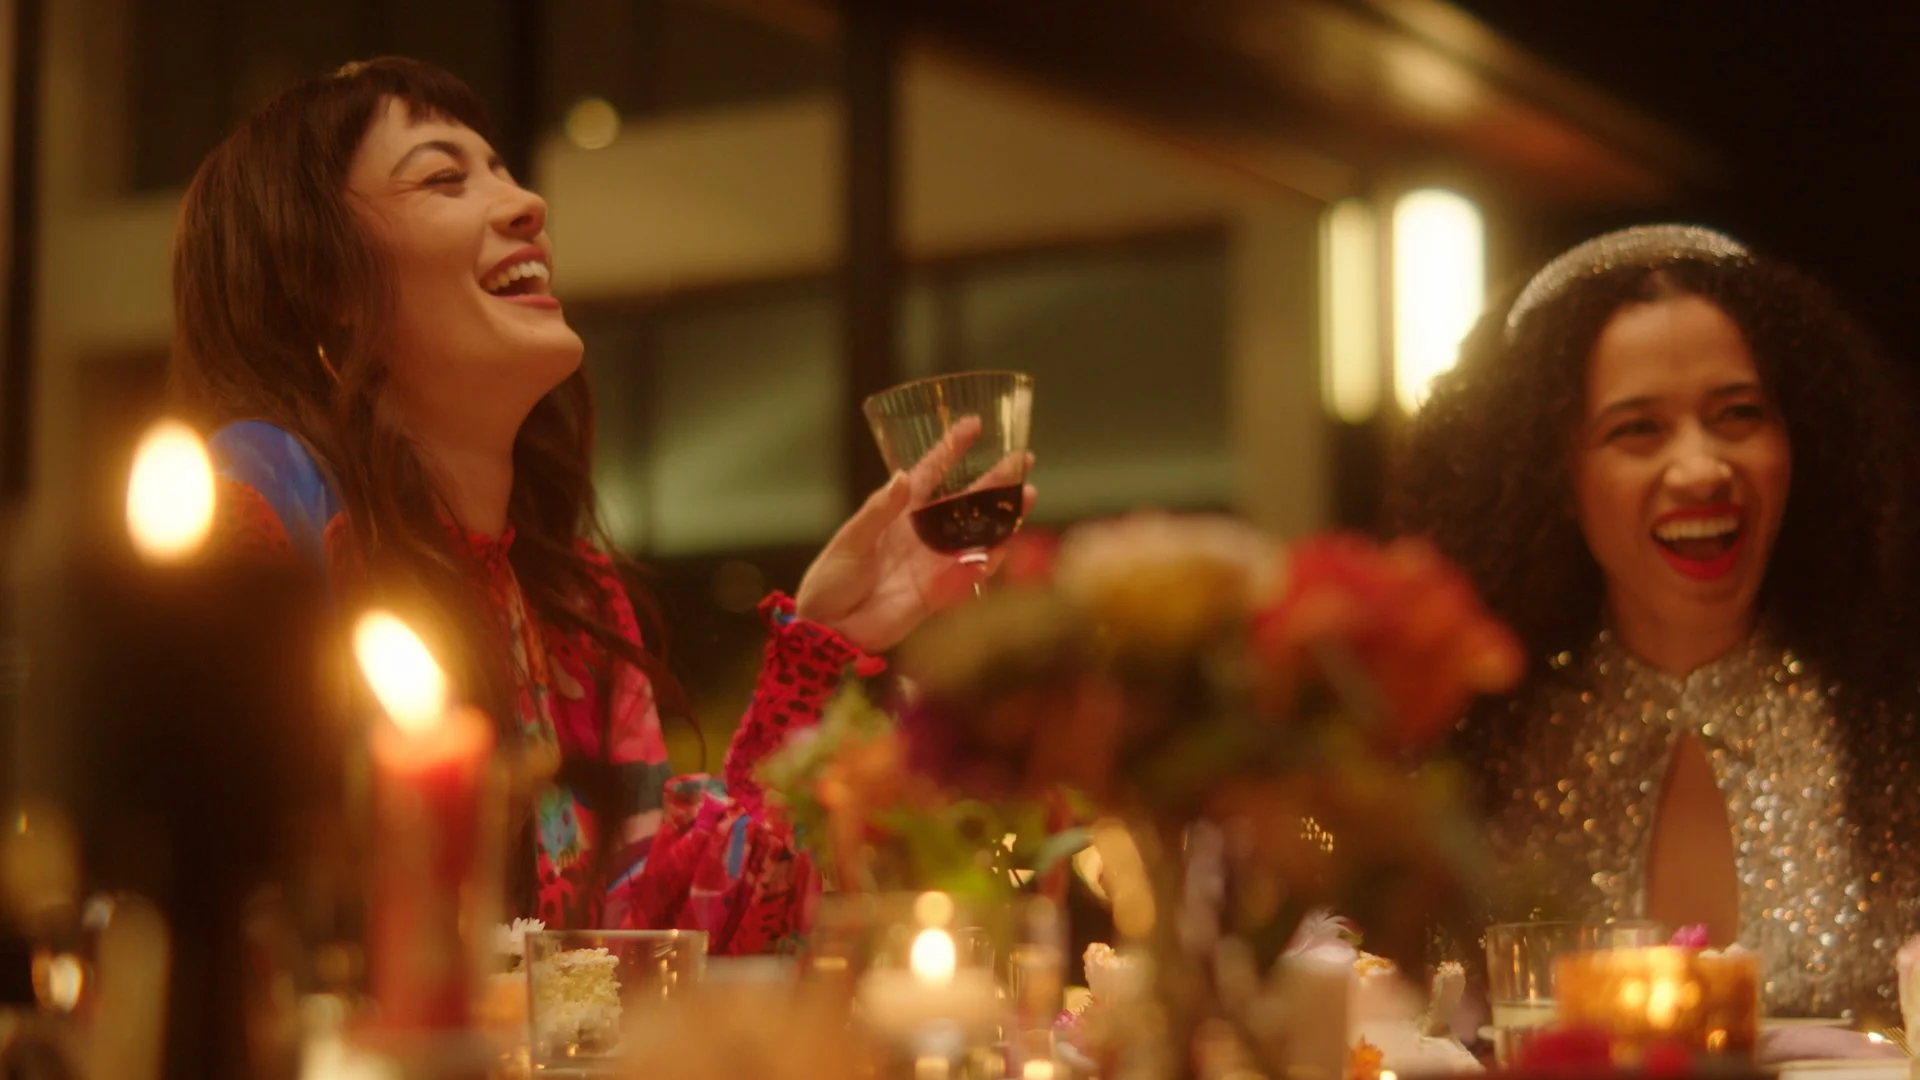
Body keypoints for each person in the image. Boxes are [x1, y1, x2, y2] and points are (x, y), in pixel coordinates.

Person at [168, 57, 1029, 953]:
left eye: (501, 169)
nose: (525, 203)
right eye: (442, 177)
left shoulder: (569, 602)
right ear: (325, 285)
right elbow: (247, 901)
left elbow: (646, 952)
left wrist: (820, 650)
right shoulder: (268, 497)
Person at [1390, 224, 1920, 1020]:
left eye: (1738, 414)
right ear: (1556, 475)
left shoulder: (1894, 724)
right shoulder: (1468, 754)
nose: (1702, 468)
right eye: (1638, 428)